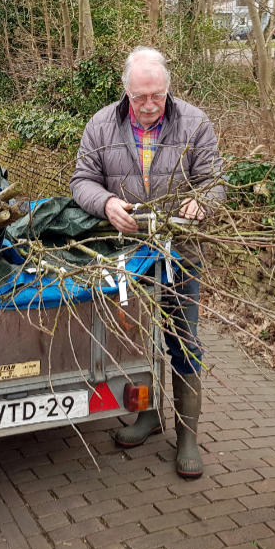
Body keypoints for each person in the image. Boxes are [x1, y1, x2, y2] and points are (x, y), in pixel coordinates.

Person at [70, 46, 225, 478]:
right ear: (126, 91)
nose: (150, 105)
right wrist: (105, 204)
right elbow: (81, 180)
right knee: (138, 336)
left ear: (168, 89)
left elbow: (215, 181)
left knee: (182, 337)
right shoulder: (102, 125)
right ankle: (150, 413)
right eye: (141, 97)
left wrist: (201, 200)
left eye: (157, 95)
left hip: (180, 254)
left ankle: (188, 435)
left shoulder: (194, 123)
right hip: (128, 256)